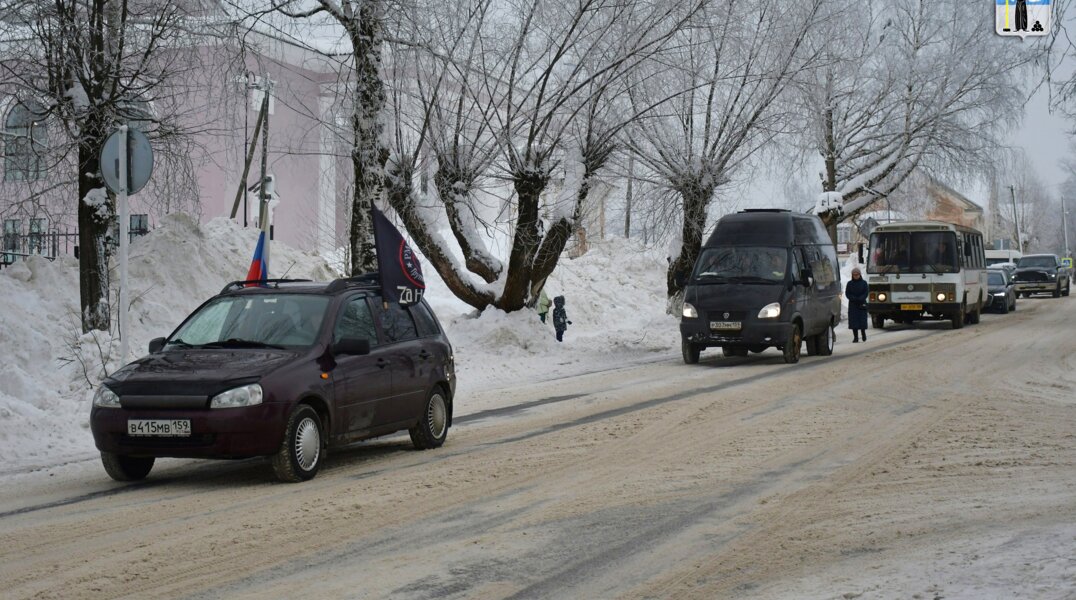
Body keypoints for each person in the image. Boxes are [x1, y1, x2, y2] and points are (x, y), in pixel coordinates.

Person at [845, 267, 869, 343]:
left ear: (860, 275)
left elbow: (866, 292)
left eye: (857, 274)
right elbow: (847, 293)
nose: (856, 276)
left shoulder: (864, 283)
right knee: (853, 322)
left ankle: (863, 334)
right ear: (852, 275)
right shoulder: (849, 283)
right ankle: (855, 337)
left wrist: (861, 298)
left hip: (862, 304)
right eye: (854, 275)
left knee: (862, 320)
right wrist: (853, 298)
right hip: (853, 305)